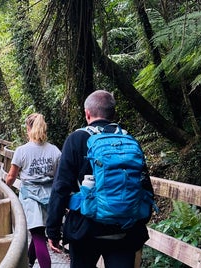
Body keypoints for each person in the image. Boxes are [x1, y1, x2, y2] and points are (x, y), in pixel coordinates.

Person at [46, 90, 153, 267]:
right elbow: (145, 186)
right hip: (125, 228)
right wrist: (137, 218)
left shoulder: (77, 139)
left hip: (85, 228)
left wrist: (53, 230)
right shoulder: (128, 140)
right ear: (113, 114)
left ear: (87, 113)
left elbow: (61, 187)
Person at [5, 113, 61, 268]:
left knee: (37, 235)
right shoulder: (55, 151)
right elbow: (59, 176)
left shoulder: (22, 151)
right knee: (40, 232)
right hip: (50, 197)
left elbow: (11, 176)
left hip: (30, 197)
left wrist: (4, 189)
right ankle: (29, 262)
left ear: (28, 129)